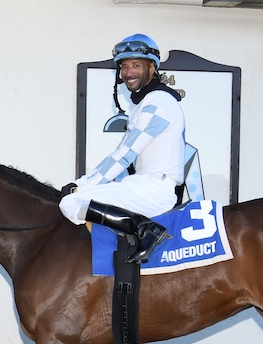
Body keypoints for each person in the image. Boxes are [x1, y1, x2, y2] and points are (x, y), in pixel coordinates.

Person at [59, 33, 187, 263]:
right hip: (142, 184)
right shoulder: (147, 103)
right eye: (125, 67)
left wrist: (80, 185)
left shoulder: (159, 102)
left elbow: (124, 155)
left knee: (70, 203)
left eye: (136, 65)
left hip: (155, 191)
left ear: (152, 68)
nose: (129, 73)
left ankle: (145, 230)